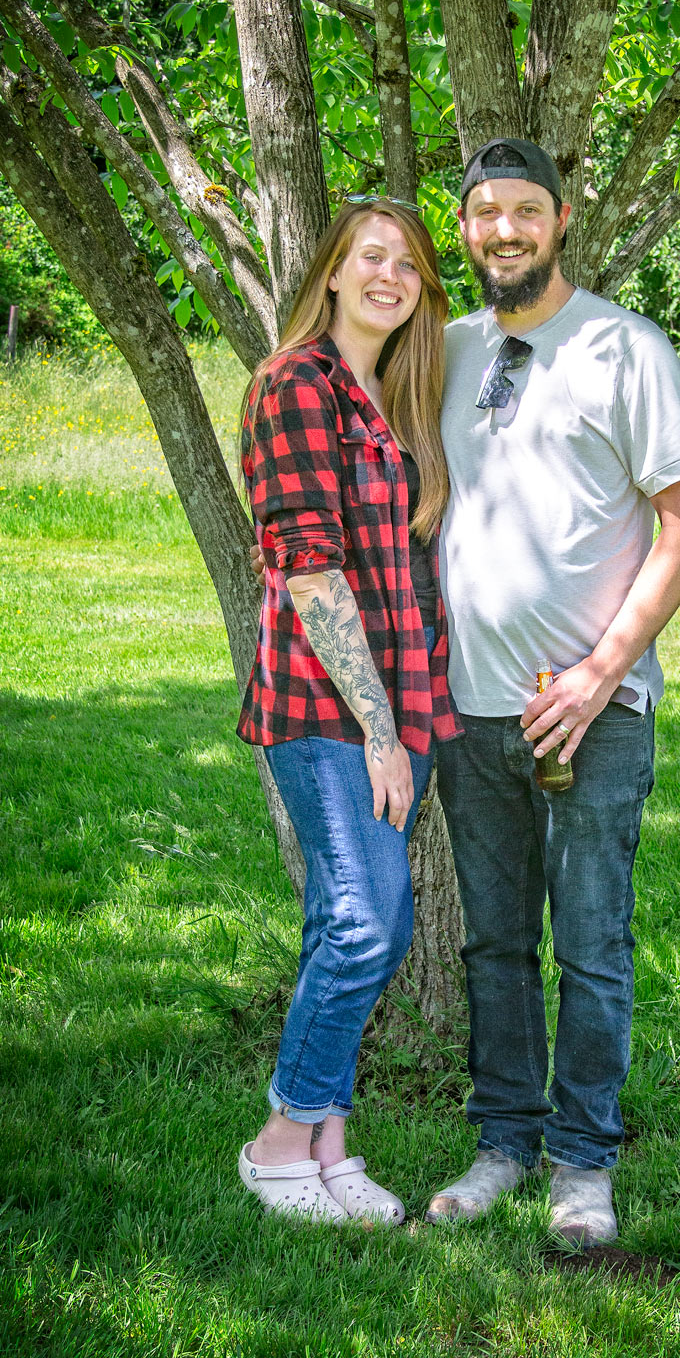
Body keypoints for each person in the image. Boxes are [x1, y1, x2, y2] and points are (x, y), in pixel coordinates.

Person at [425, 139, 680, 1246]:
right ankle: (502, 1141)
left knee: (589, 945)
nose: (502, 229)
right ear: (464, 228)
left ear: (559, 221)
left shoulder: (624, 346)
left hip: (593, 713)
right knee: (493, 944)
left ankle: (581, 1162)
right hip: (468, 706)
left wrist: (600, 672)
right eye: (482, 212)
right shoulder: (445, 349)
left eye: (523, 210)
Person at [236, 196, 461, 1226]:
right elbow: (310, 571)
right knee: (368, 925)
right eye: (370, 257)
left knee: (351, 918)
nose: (389, 276)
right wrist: (378, 730)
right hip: (324, 707)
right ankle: (280, 1137)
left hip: (399, 701)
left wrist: (406, 715)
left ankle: (330, 1146)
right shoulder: (294, 385)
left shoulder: (392, 399)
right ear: (329, 272)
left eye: (408, 265)